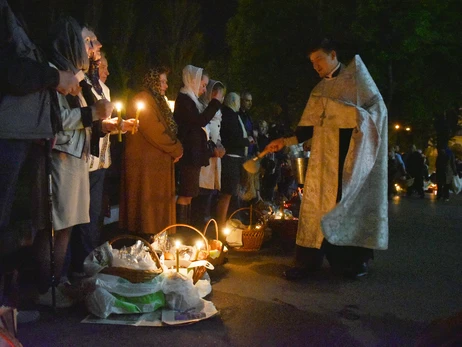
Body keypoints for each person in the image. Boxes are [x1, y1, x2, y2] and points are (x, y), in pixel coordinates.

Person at [265, 38, 388, 280]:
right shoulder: (318, 91)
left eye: (319, 59)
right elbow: (306, 128)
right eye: (312, 62)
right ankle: (307, 262)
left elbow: (378, 113)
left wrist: (347, 114)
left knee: (344, 207)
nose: (315, 66)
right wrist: (285, 141)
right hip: (323, 163)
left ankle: (351, 262)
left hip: (349, 161)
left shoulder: (357, 82)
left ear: (333, 55)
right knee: (316, 208)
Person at [32, 17, 116, 307]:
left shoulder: (74, 77)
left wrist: (101, 123)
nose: (94, 48)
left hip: (75, 159)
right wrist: (93, 114)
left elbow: (80, 118)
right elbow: (55, 121)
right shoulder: (56, 76)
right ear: (71, 43)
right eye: (88, 42)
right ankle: (46, 289)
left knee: (67, 225)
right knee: (55, 226)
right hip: (61, 159)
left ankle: (60, 280)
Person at [66, 31, 137, 277]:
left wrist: (119, 125)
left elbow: (102, 120)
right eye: (102, 65)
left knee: (93, 214)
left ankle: (88, 262)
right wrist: (106, 123)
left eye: (106, 66)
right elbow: (88, 119)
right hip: (81, 157)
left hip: (99, 161)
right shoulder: (80, 83)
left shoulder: (102, 89)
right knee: (78, 217)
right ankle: (78, 267)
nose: (105, 70)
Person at [120, 67, 183, 237]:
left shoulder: (156, 101)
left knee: (154, 206)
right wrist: (176, 147)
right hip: (146, 165)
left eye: (165, 81)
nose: (166, 85)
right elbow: (154, 130)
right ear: (152, 81)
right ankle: (145, 238)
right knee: (146, 207)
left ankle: (154, 237)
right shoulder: (143, 99)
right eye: (162, 81)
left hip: (156, 163)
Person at [173, 65, 223, 228]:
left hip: (194, 154)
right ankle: (182, 231)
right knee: (186, 193)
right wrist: (215, 102)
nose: (204, 89)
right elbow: (199, 121)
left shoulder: (192, 100)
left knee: (190, 194)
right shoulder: (185, 100)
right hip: (188, 154)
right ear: (193, 81)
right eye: (202, 85)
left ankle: (185, 230)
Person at [191, 80, 226, 226]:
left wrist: (220, 144)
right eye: (217, 95)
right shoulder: (202, 110)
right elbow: (202, 136)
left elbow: (216, 134)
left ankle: (205, 224)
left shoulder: (217, 113)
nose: (220, 99)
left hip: (214, 158)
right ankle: (198, 226)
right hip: (205, 159)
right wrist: (213, 150)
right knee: (201, 194)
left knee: (210, 193)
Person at [216, 92, 251, 228]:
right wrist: (245, 141)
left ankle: (227, 221)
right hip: (230, 159)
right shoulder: (229, 116)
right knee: (228, 192)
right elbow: (231, 138)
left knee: (231, 193)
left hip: (234, 158)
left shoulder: (232, 115)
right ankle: (221, 223)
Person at [239, 91, 257, 158]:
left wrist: (256, 149)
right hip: (241, 152)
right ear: (241, 101)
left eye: (251, 101)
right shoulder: (237, 115)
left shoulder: (249, 117)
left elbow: (253, 135)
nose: (250, 103)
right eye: (247, 101)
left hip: (249, 152)